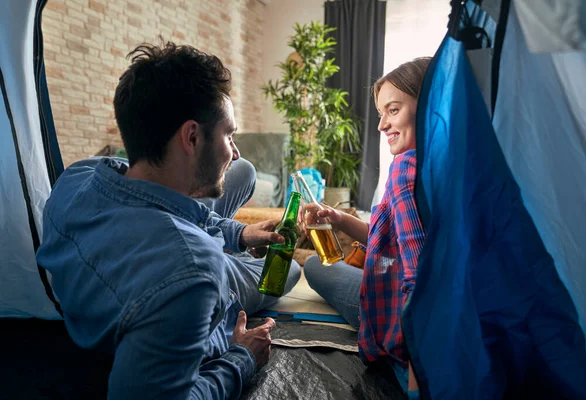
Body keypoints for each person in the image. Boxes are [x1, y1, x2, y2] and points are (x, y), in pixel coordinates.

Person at [36, 40, 301, 399]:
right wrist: (241, 357)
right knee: (293, 271)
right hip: (177, 267)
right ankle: (231, 259)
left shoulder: (77, 175)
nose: (234, 150)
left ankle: (232, 244)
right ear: (191, 137)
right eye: (229, 134)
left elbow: (168, 213)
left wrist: (240, 233)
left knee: (244, 172)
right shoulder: (190, 273)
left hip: (149, 243)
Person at [303, 57, 431, 399]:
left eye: (392, 110)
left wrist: (419, 384)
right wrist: (341, 218)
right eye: (380, 114)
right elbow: (394, 238)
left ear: (430, 105)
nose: (381, 125)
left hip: (397, 325)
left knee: (316, 265)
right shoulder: (449, 161)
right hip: (438, 318)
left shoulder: (406, 168)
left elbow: (419, 282)